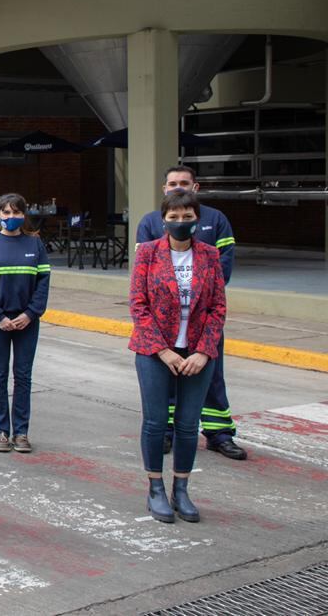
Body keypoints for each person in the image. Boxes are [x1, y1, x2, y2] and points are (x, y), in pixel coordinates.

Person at [135, 165, 244, 460]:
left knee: (212, 378)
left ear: (195, 187)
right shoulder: (150, 222)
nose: (178, 187)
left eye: (184, 182)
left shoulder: (216, 219)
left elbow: (223, 265)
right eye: (172, 183)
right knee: (166, 382)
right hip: (164, 327)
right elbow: (142, 283)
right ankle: (167, 432)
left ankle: (219, 434)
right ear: (164, 189)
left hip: (202, 320)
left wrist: (200, 296)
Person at [129, 191, 225, 523]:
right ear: (164, 220)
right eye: (174, 217)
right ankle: (155, 488)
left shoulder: (209, 255)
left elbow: (218, 308)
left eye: (187, 216)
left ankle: (181, 489)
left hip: (198, 354)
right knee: (156, 422)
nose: (180, 222)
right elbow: (138, 305)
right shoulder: (147, 253)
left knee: (187, 424)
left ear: (197, 218)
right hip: (154, 351)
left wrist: (203, 351)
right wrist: (163, 350)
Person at [0, 193, 50, 453]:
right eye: (6, 212)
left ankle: (21, 432)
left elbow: (43, 283)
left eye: (16, 212)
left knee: (23, 376)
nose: (11, 217)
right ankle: (0, 431)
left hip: (27, 322)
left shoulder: (35, 244)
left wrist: (30, 314)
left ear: (23, 215)